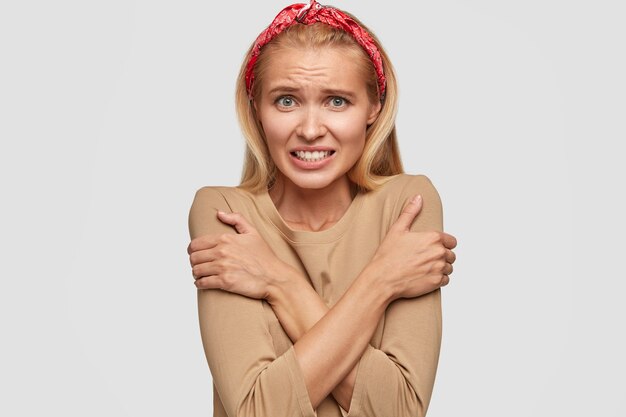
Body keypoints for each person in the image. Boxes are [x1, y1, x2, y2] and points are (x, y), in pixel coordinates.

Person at [187, 1, 458, 416]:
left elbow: (401, 412)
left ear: (374, 108)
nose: (311, 130)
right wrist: (384, 279)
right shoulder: (224, 212)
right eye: (286, 101)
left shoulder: (408, 204)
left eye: (336, 101)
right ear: (256, 110)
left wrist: (277, 282)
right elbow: (256, 412)